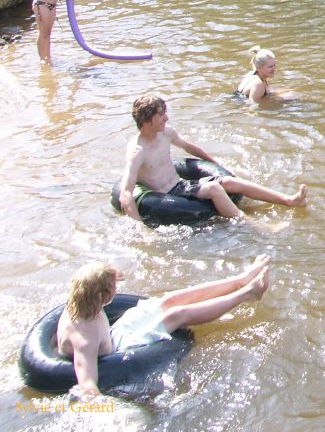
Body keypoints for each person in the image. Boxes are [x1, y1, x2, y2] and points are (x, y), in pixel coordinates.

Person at [56, 256, 270, 401]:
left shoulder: (85, 297)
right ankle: (246, 294)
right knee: (176, 315)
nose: (118, 288)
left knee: (169, 300)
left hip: (115, 332)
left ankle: (240, 280)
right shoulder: (85, 337)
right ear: (102, 295)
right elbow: (87, 382)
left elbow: (92, 278)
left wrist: (109, 275)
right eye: (114, 286)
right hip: (119, 349)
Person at [118, 93, 307, 226]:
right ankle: (254, 225)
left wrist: (216, 164)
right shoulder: (138, 150)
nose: (166, 118)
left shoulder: (166, 133)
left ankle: (289, 200)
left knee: (228, 181)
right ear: (147, 119)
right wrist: (141, 229)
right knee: (214, 188)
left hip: (180, 185)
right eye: (161, 114)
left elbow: (190, 148)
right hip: (165, 195)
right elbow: (125, 193)